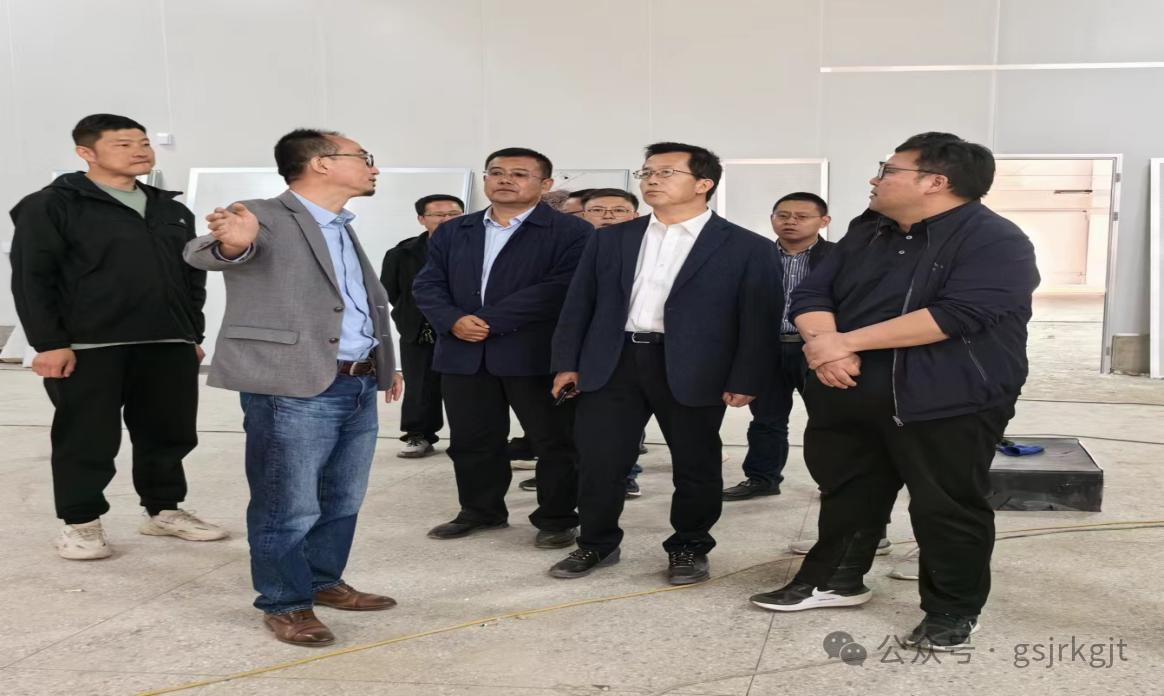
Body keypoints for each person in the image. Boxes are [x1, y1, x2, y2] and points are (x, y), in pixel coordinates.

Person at [749, 133, 1039, 654]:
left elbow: (958, 314)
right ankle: (836, 579)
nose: (875, 179)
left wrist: (844, 343)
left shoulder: (995, 240)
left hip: (946, 397)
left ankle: (952, 608)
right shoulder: (869, 229)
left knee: (945, 505)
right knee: (847, 490)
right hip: (849, 386)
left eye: (888, 170)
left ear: (935, 182)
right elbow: (813, 291)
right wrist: (826, 348)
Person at [184, 128, 403, 647]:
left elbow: (353, 303)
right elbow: (202, 252)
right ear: (322, 163)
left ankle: (323, 580)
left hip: (355, 379)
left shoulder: (340, 225)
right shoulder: (260, 213)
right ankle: (285, 602)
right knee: (288, 503)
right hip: (291, 384)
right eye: (363, 157)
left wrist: (384, 361)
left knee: (342, 497)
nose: (373, 167)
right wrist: (233, 243)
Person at [548, 142, 781, 584]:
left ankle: (689, 546)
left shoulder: (746, 247)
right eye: (647, 172)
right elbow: (579, 304)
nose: (652, 179)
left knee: (696, 463)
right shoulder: (612, 239)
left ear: (704, 183)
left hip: (696, 365)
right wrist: (567, 362)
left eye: (667, 172)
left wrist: (747, 377)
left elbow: (758, 319)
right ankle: (596, 542)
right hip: (613, 360)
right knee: (600, 460)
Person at [9, 113, 225, 561]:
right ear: (85, 152)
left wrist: (191, 334)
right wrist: (48, 343)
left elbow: (191, 277)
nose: (139, 151)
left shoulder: (170, 209)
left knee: (169, 433)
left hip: (167, 341)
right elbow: (33, 278)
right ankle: (81, 522)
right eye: (123, 144)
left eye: (143, 143)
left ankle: (163, 509)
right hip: (90, 344)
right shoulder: (51, 205)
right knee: (87, 437)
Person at [413, 147, 590, 548]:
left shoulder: (571, 232)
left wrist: (488, 320)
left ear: (546, 184)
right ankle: (481, 510)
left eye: (520, 173)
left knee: (555, 442)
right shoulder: (455, 230)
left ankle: (557, 518)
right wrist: (452, 320)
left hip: (534, 355)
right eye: (496, 172)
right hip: (463, 353)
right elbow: (428, 283)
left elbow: (560, 288)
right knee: (471, 441)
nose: (505, 179)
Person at [722, 192, 834, 501]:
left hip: (815, 349)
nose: (790, 222)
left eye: (801, 216)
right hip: (765, 347)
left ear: (824, 221)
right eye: (783, 215)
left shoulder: (839, 257)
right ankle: (762, 479)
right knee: (766, 419)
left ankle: (833, 481)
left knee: (827, 420)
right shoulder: (755, 255)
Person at [381, 194, 464, 457]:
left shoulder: (478, 248)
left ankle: (467, 439)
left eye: (454, 214)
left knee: (465, 388)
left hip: (464, 329)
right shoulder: (402, 253)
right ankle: (418, 435)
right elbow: (390, 291)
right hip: (419, 329)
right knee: (420, 386)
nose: (447, 219)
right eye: (439, 215)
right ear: (422, 219)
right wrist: (410, 315)